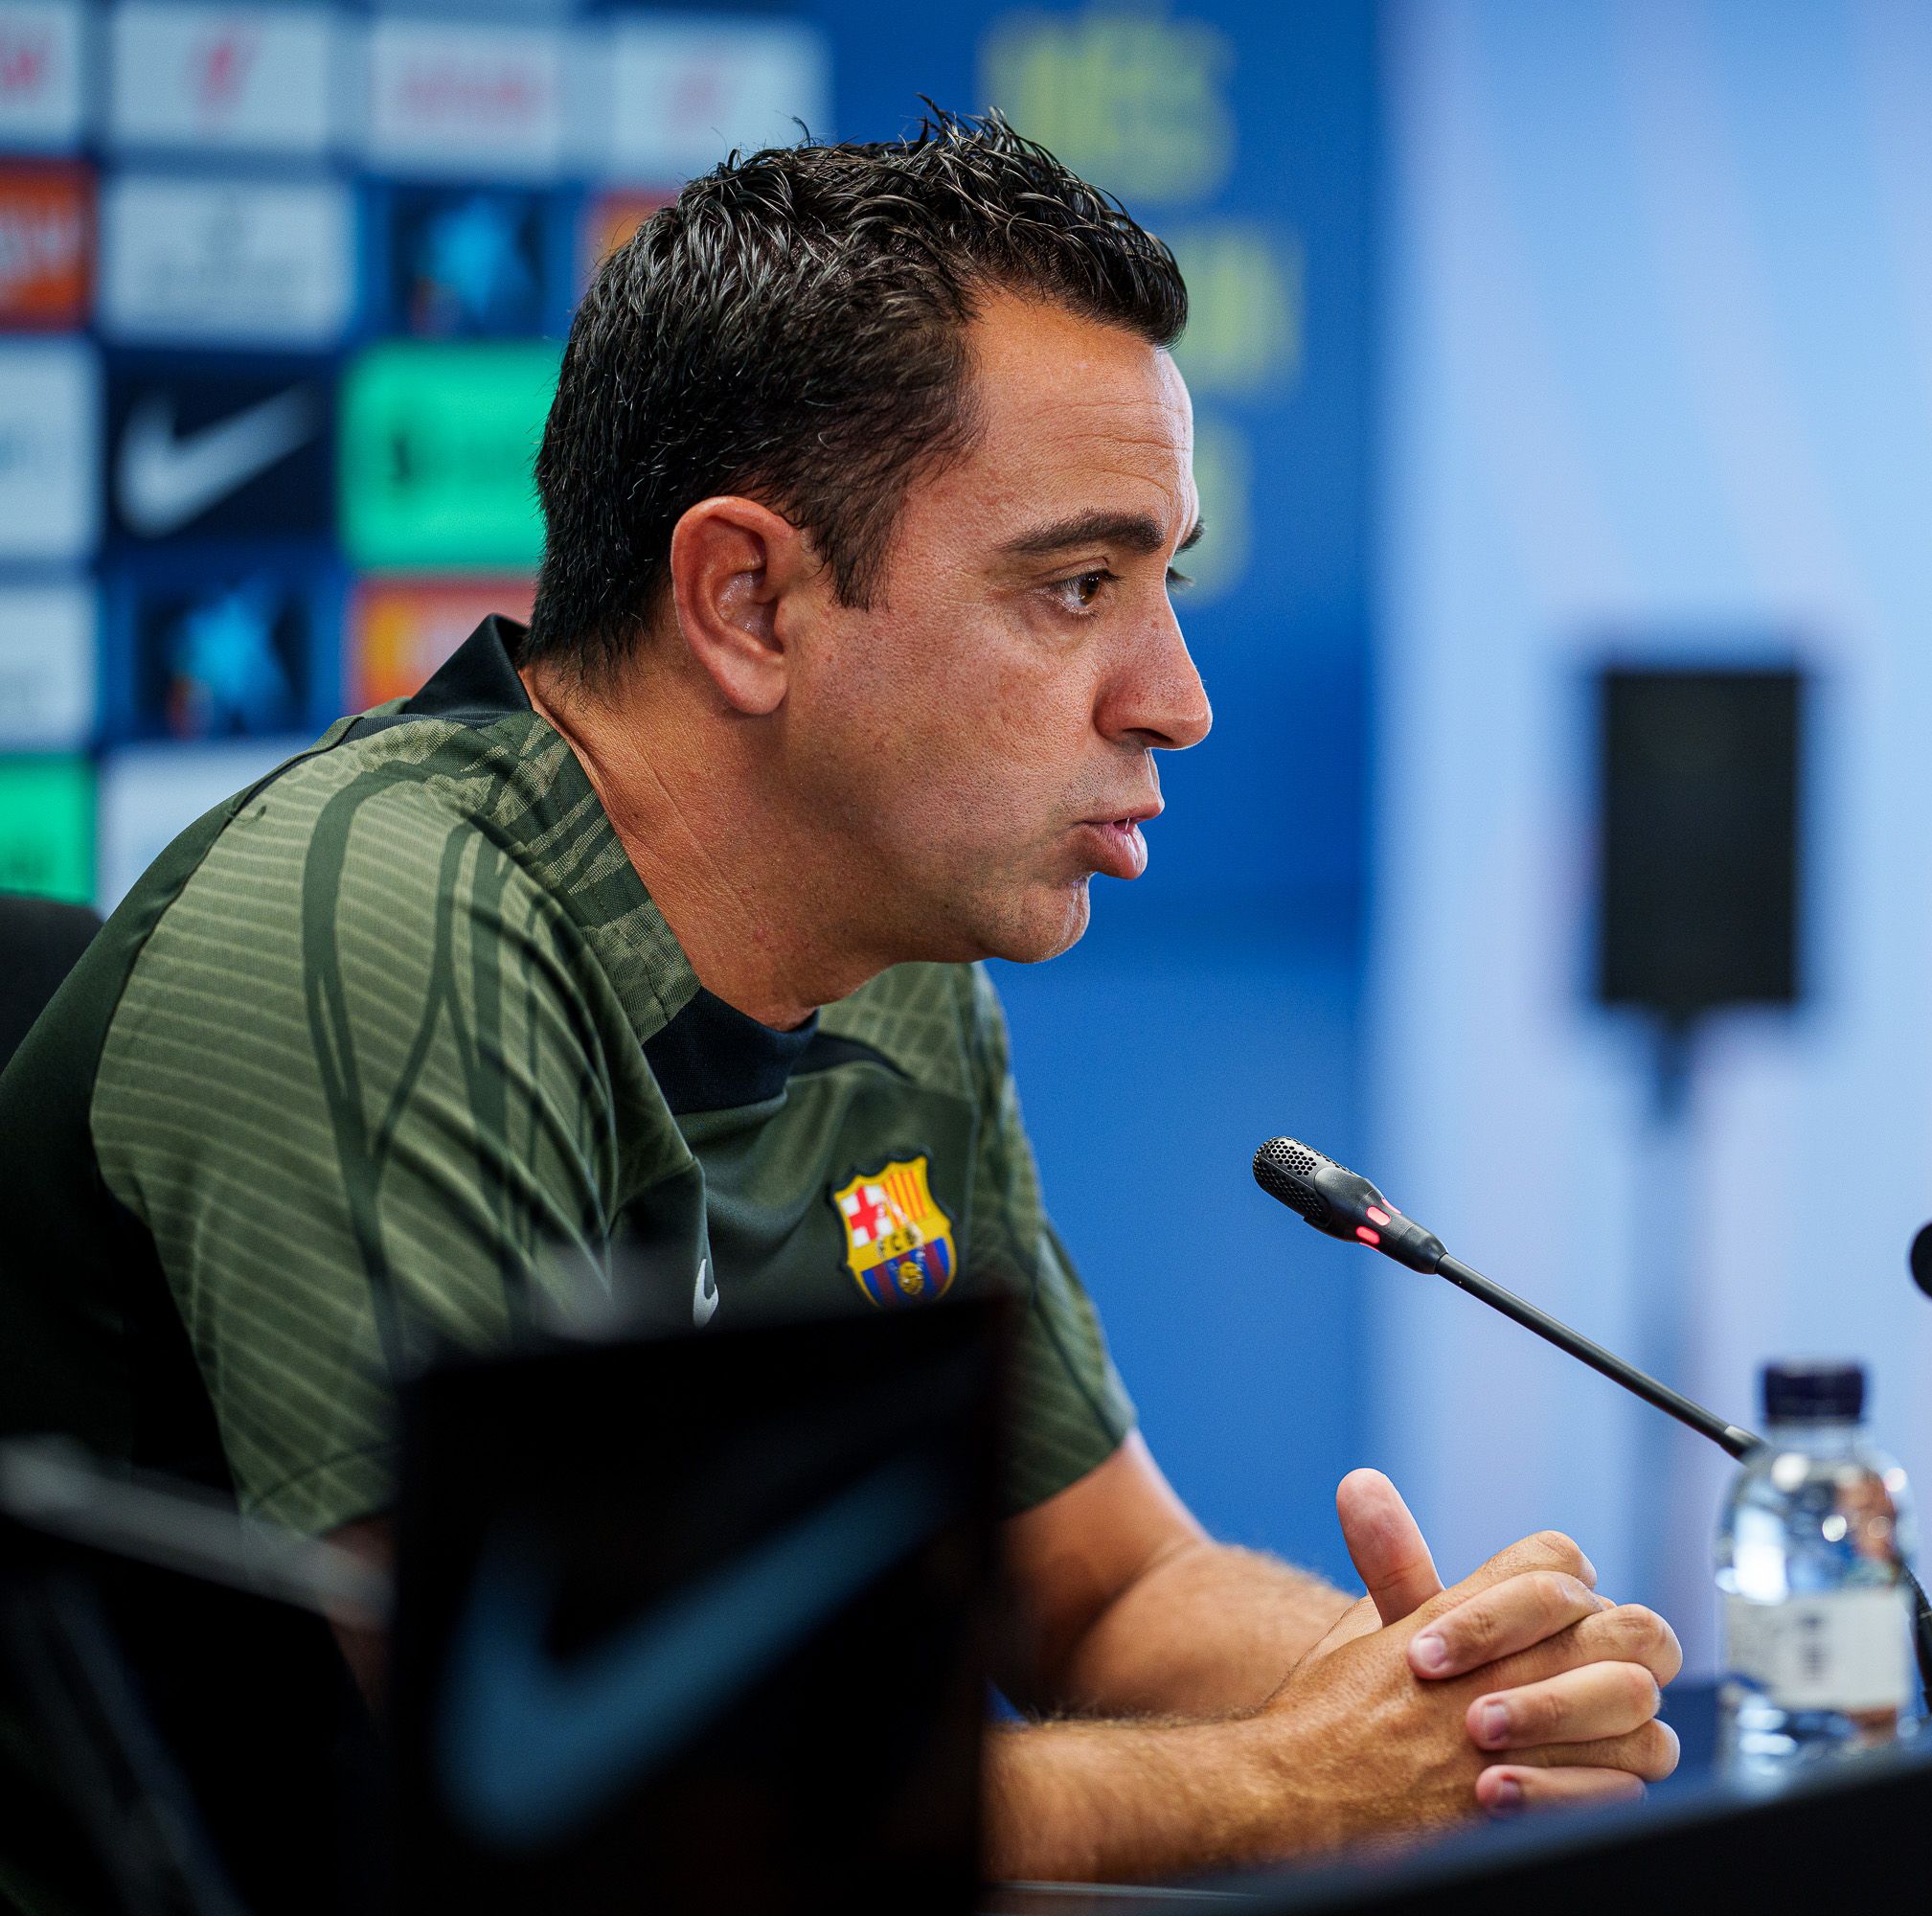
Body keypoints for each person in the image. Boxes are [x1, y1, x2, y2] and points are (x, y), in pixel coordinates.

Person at [0, 114, 1676, 1892]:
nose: (1178, 698)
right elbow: (610, 1802)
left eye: (1164, 580)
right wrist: (1291, 1785)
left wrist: (1444, 1701)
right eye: (1078, 586)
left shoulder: (887, 947)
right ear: (748, 599)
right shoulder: (372, 932)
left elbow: (1101, 1584)